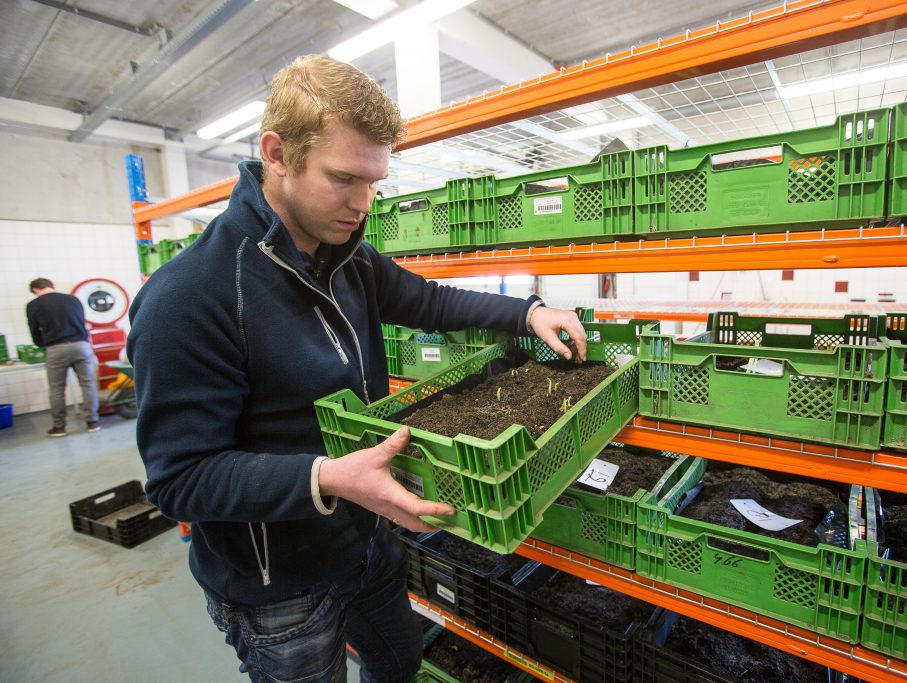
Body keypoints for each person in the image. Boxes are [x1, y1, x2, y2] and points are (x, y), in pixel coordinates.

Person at [127, 54, 587, 683]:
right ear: (278, 154)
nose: (363, 203)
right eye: (344, 178)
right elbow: (179, 479)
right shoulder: (192, 295)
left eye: (375, 182)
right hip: (277, 588)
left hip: (367, 542)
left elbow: (430, 300)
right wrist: (328, 478)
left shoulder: (348, 256)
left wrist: (528, 310)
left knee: (398, 665)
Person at [26, 278, 100, 437]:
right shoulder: (73, 299)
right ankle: (92, 422)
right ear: (52, 286)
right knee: (88, 385)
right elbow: (82, 322)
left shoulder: (34, 305)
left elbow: (34, 331)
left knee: (57, 389)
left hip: (56, 348)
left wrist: (41, 344)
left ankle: (59, 427)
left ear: (35, 290)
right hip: (82, 345)